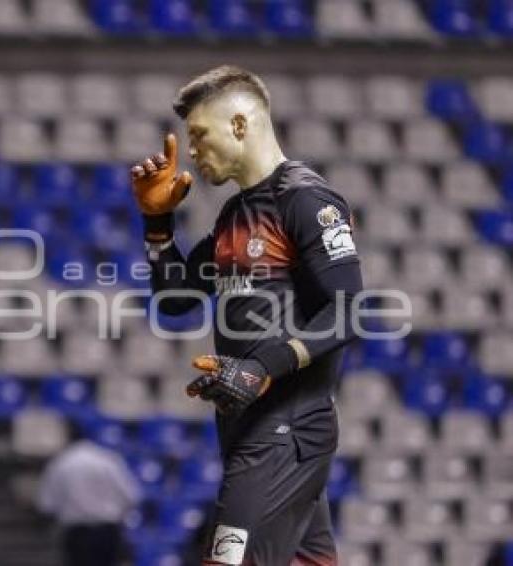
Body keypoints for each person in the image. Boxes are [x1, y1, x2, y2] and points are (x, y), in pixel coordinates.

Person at [130, 65, 363, 565]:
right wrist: (157, 225)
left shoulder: (304, 199)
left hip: (286, 430)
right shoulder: (235, 215)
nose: (191, 152)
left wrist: (262, 367)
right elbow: (175, 301)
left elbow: (348, 310)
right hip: (251, 432)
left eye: (199, 135)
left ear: (239, 124)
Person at [36, 438, 142, 566]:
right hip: (107, 531)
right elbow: (131, 496)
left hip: (77, 533)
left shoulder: (61, 463)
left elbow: (47, 504)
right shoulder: (107, 460)